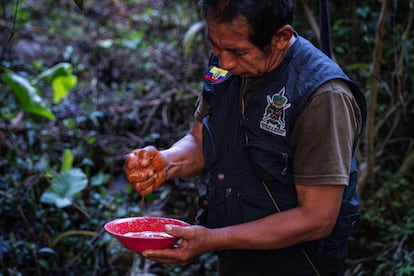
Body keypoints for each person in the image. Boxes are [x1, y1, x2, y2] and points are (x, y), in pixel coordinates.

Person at [124, 0, 367, 275]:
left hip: (298, 265)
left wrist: (212, 239)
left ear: (280, 38)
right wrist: (165, 162)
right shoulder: (228, 61)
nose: (225, 61)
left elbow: (317, 217)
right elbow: (202, 140)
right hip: (236, 261)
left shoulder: (323, 96)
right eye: (216, 45)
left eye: (238, 51)